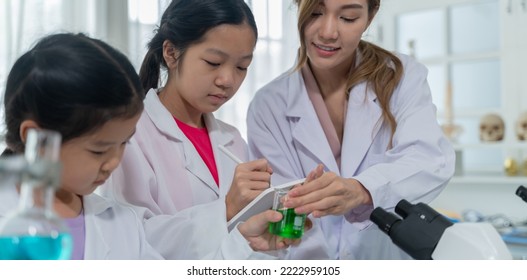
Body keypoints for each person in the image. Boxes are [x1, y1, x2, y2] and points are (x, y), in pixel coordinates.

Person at [0, 33, 299, 260]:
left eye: (123, 144)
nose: (114, 161)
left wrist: (242, 243)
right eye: (99, 150)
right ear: (36, 139)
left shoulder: (121, 224)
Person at [99, 0, 314, 259]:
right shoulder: (129, 136)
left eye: (241, 67)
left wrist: (271, 229)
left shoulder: (231, 140)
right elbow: (130, 241)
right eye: (213, 62)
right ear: (171, 52)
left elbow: (241, 242)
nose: (228, 81)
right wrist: (226, 209)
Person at [246, 0, 456, 259]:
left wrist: (362, 189)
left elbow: (429, 159)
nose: (328, 32)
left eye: (347, 18)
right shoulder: (268, 106)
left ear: (370, 16)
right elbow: (283, 211)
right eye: (315, 13)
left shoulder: (401, 77)